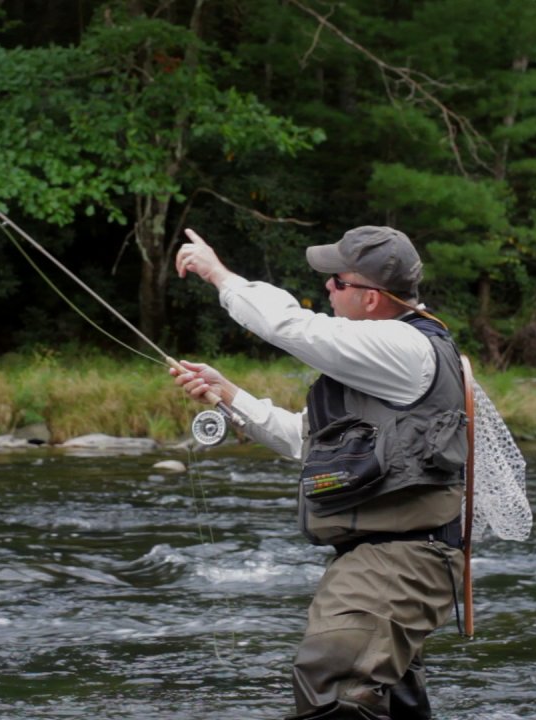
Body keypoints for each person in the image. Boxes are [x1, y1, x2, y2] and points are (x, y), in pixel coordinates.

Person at [171, 226, 468, 720]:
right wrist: (230, 396)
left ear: (372, 298)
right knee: (390, 701)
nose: (327, 288)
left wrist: (220, 276)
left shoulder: (402, 346)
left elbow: (293, 327)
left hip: (402, 559)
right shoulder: (376, 367)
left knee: (331, 685)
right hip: (382, 560)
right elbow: (300, 438)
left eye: (337, 281)